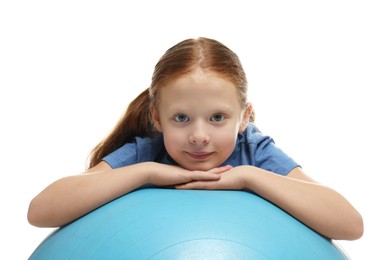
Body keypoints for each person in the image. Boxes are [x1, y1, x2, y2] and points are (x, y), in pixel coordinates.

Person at [27, 37, 363, 240]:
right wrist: (145, 174)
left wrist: (248, 177)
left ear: (244, 117)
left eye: (218, 118)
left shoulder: (255, 152)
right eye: (181, 118)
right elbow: (40, 212)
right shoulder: (146, 153)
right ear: (157, 118)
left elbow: (350, 224)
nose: (199, 136)